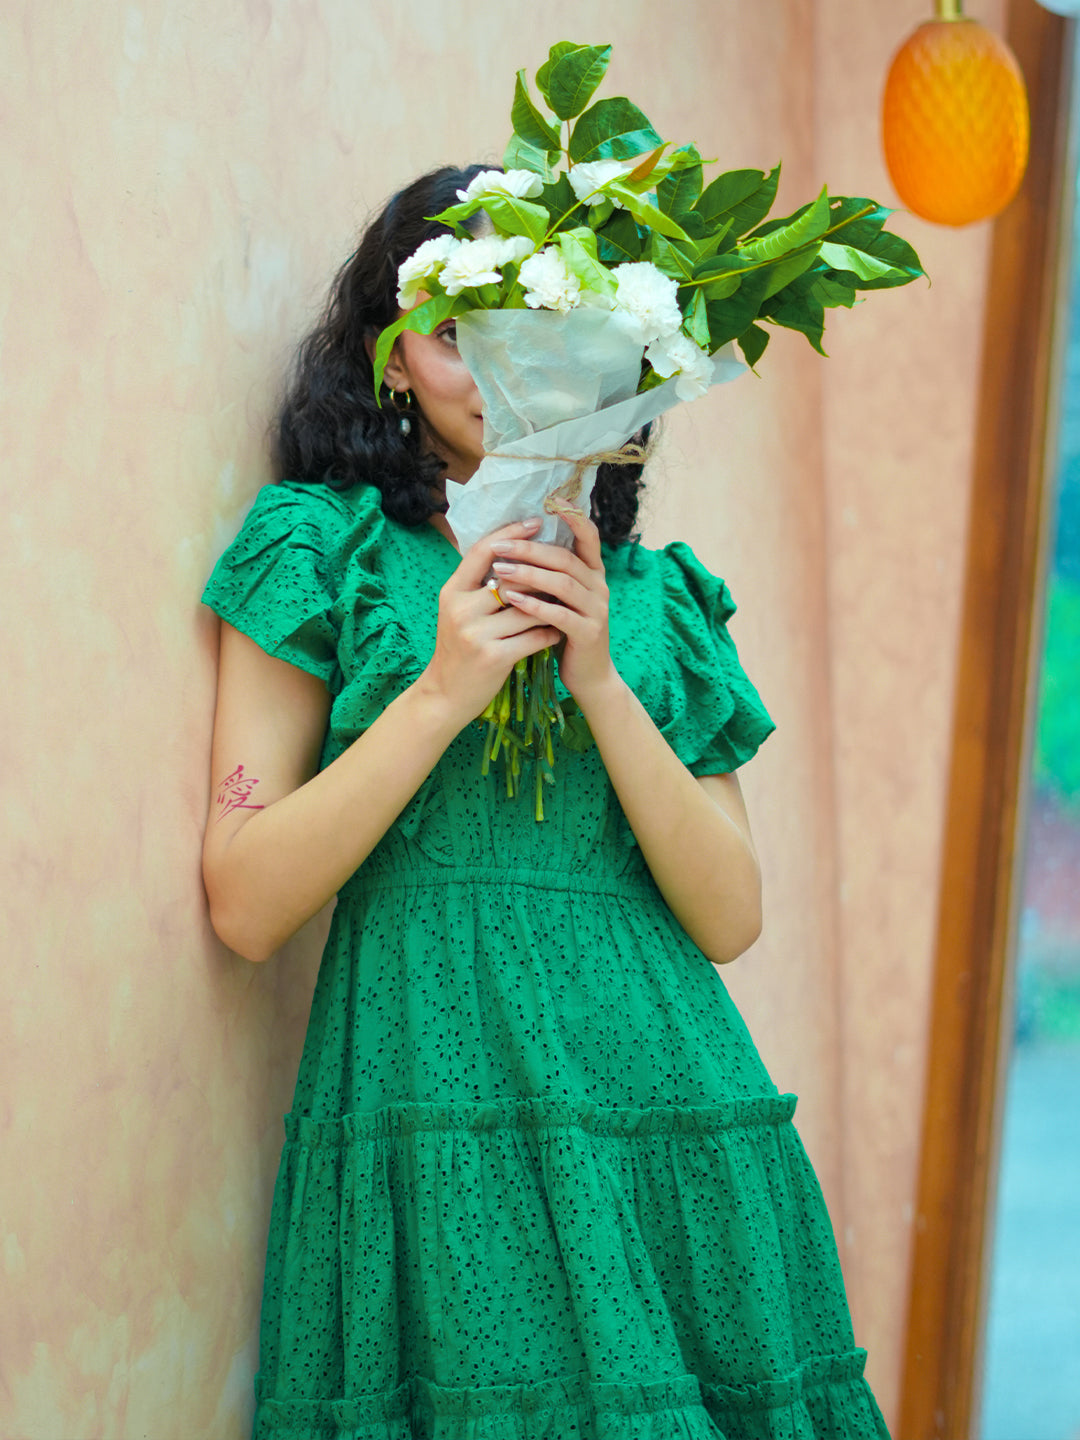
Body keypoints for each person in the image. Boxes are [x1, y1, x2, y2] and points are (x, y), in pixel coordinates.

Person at [202, 165, 890, 1440]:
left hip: (662, 1112)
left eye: (547, 336)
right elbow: (244, 902)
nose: (498, 369)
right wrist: (440, 691)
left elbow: (731, 915)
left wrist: (602, 676)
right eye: (461, 333)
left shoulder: (658, 594)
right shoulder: (320, 546)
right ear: (392, 359)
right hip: (430, 1104)